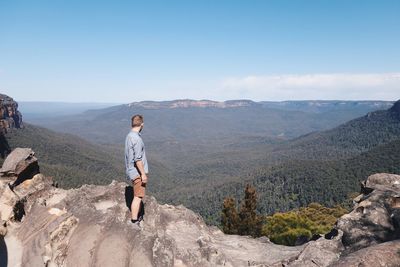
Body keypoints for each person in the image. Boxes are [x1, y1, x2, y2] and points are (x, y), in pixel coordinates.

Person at [125, 114, 148, 227]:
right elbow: (138, 159)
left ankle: (136, 217)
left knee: (137, 195)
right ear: (142, 124)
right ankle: (134, 221)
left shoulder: (129, 136)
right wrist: (143, 174)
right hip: (137, 173)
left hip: (131, 171)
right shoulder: (137, 139)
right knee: (138, 197)